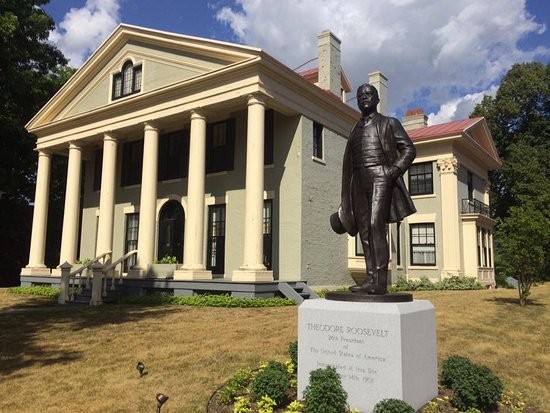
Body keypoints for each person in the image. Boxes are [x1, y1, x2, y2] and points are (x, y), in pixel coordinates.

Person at [330, 83, 416, 294]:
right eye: (360, 95)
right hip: (358, 180)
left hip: (381, 176)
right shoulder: (355, 129)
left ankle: (379, 281)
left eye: (369, 94)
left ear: (377, 100)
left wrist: (393, 171)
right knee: (364, 230)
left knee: (375, 224)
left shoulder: (389, 123)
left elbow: (409, 149)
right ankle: (371, 279)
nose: (364, 98)